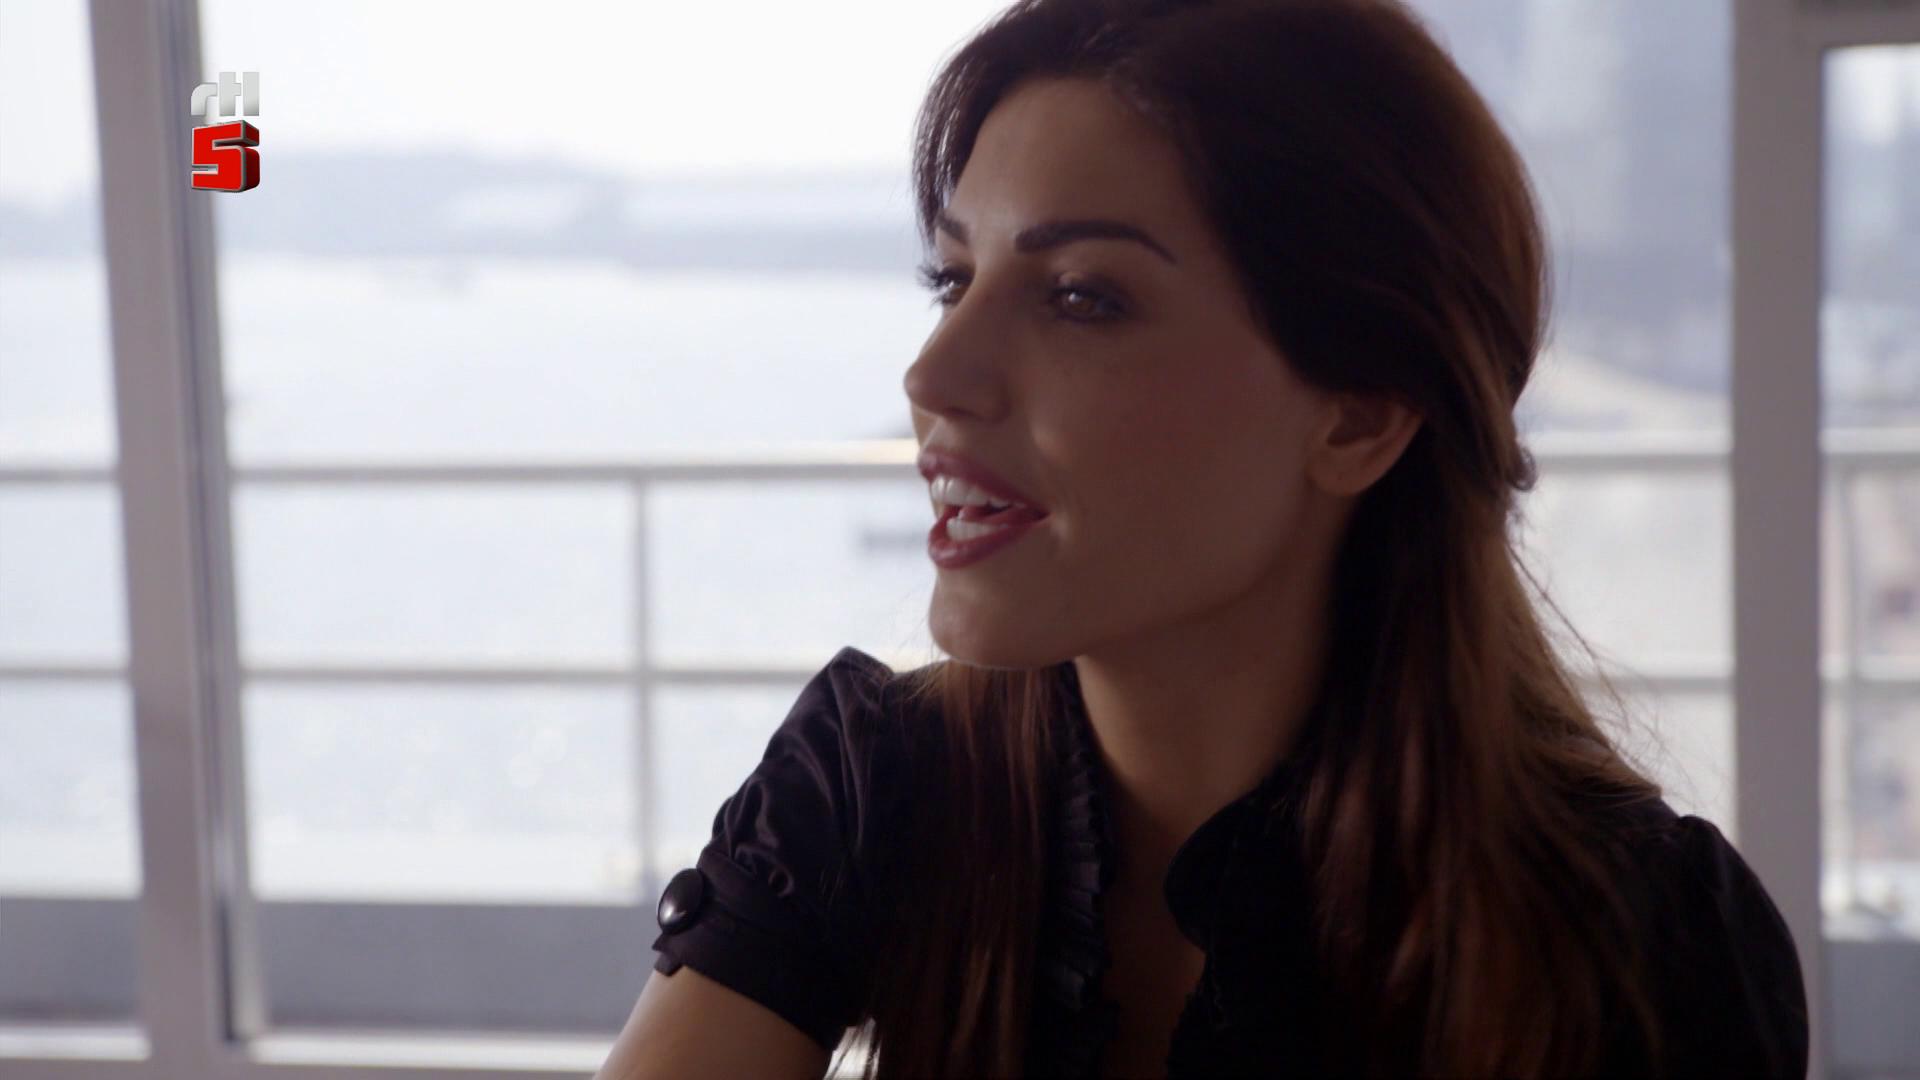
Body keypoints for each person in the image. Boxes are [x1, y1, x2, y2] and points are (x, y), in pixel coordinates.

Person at [594, 0, 1811, 1076]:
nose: (934, 375)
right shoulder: (873, 786)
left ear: (1360, 414)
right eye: (953, 280)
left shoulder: (1638, 940)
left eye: (1082, 296)